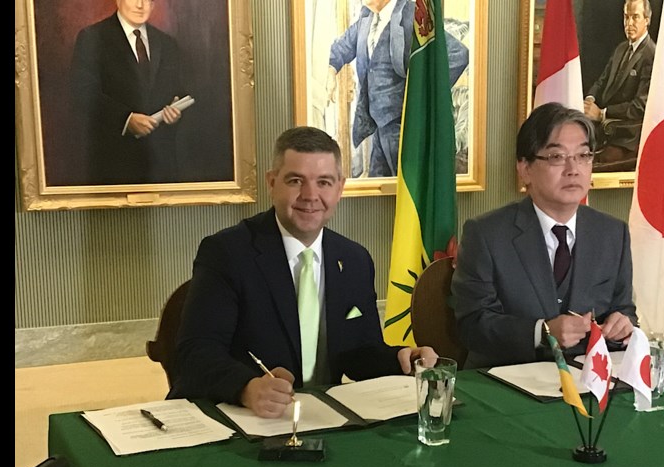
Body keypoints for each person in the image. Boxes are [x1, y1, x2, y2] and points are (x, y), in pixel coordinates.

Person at [168, 126, 437, 418]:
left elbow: (359, 354)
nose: (310, 195)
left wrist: (398, 358)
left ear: (340, 188)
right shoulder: (227, 252)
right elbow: (195, 352)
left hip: (324, 420)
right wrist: (246, 387)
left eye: (324, 182)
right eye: (296, 180)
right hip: (247, 419)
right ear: (272, 183)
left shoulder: (355, 259)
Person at [451, 102, 638, 369]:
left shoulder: (612, 233)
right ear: (525, 168)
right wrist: (542, 332)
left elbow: (624, 309)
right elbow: (472, 325)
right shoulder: (486, 235)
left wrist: (623, 324)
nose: (573, 169)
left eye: (583, 156)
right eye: (557, 157)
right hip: (507, 384)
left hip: (586, 382)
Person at [326, 0, 469, 178]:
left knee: (404, 186)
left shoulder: (411, 15)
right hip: (376, 125)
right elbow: (343, 46)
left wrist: (423, 93)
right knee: (377, 188)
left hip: (402, 127)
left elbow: (459, 54)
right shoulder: (366, 17)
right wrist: (331, 71)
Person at [70, 0, 186, 185]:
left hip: (162, 167)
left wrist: (175, 112)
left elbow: (179, 90)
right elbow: (83, 92)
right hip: (114, 163)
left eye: (147, 0)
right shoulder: (92, 37)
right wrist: (126, 119)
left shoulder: (167, 43)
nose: (140, 5)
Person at [582, 0, 656, 167]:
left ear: (647, 20)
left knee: (592, 162)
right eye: (626, 17)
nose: (629, 23)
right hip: (603, 127)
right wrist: (590, 100)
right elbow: (602, 81)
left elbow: (640, 107)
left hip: (626, 135)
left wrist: (602, 114)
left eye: (635, 17)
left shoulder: (651, 56)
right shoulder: (621, 49)